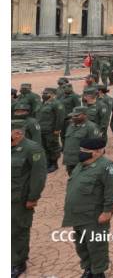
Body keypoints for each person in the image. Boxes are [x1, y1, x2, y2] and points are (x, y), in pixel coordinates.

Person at [61, 137, 113, 278]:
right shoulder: (81, 165)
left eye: (85, 150)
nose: (81, 152)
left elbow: (112, 190)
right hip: (77, 215)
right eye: (81, 150)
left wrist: (107, 211)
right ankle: (88, 269)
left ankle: (98, 272)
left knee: (96, 245)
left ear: (97, 151)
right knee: (81, 245)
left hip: (93, 216)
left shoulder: (107, 166)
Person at [11, 119, 47, 278]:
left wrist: (33, 198)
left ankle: (18, 262)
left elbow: (38, 176)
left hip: (18, 199)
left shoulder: (32, 149)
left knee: (18, 230)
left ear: (17, 133)